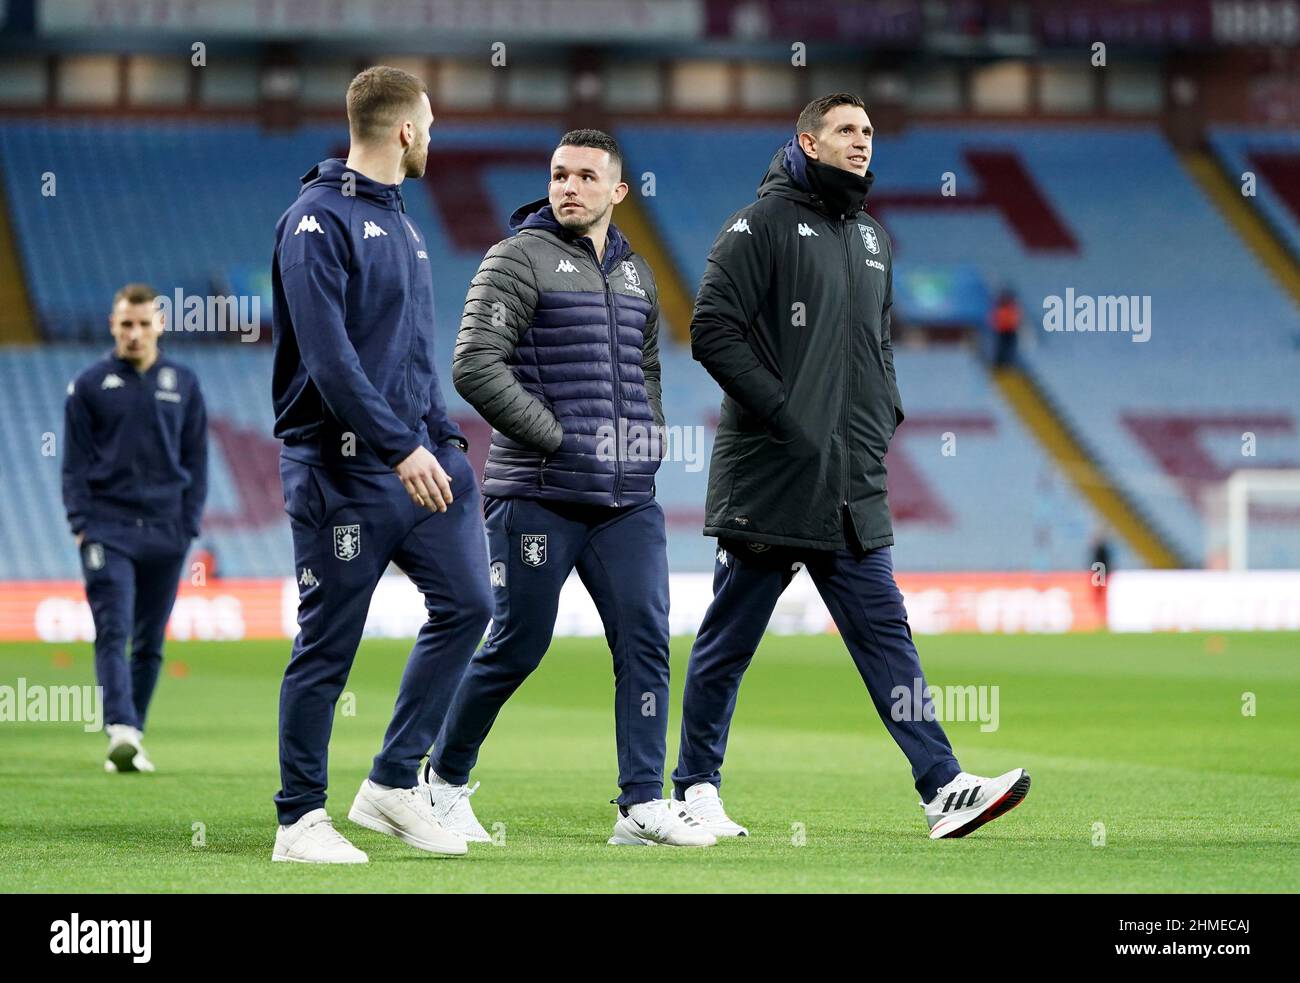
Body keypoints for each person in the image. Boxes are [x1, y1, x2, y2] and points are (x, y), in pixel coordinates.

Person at [674, 93, 1031, 839]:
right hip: (772, 478)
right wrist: (784, 412)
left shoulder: (873, 238)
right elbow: (711, 329)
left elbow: (875, 345)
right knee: (728, 643)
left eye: (867, 131)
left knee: (886, 637)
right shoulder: (760, 225)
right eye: (845, 130)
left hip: (849, 482)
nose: (862, 141)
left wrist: (883, 414)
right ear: (806, 141)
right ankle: (693, 789)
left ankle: (942, 788)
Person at [421, 129, 714, 848]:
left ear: (618, 192)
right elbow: (473, 364)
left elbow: (646, 371)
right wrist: (554, 437)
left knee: (646, 641)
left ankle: (642, 804)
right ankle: (441, 782)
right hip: (538, 494)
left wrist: (646, 437)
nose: (569, 187)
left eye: (586, 176)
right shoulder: (516, 257)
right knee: (518, 644)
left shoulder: (637, 273)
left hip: (626, 501)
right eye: (559, 174)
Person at [269, 66, 492, 864]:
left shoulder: (403, 223)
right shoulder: (313, 222)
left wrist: (445, 443)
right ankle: (298, 820)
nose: (432, 136)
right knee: (328, 644)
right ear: (405, 130)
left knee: (470, 603)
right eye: (428, 124)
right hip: (342, 473)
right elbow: (331, 364)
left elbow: (411, 356)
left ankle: (394, 782)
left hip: (419, 463)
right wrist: (402, 448)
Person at [62, 282, 208, 774]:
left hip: (167, 530)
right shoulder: (88, 385)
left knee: (150, 640)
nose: (135, 333)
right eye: (127, 324)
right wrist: (82, 524)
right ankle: (120, 727)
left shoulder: (184, 383)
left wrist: (188, 524)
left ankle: (133, 736)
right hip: (108, 529)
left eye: (144, 324)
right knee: (114, 627)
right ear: (113, 326)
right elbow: (74, 465)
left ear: (160, 325)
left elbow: (197, 459)